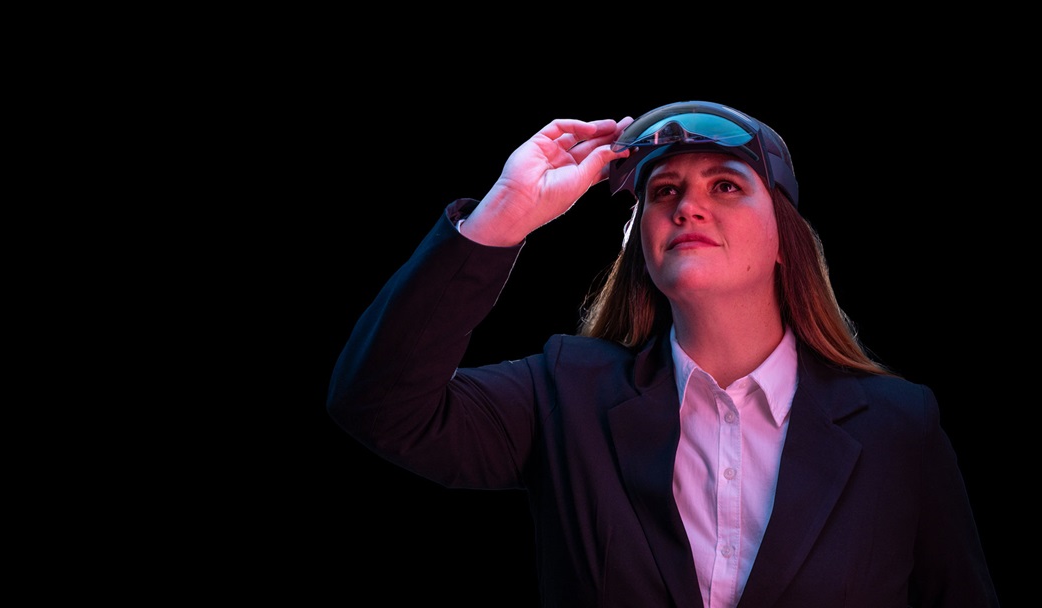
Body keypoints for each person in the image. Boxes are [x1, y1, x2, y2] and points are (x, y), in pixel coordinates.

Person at [326, 100, 999, 607]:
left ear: (781, 240)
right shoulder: (565, 396)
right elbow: (380, 406)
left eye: (726, 186)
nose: (688, 207)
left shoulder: (898, 428)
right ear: (641, 246)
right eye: (664, 191)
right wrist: (502, 216)